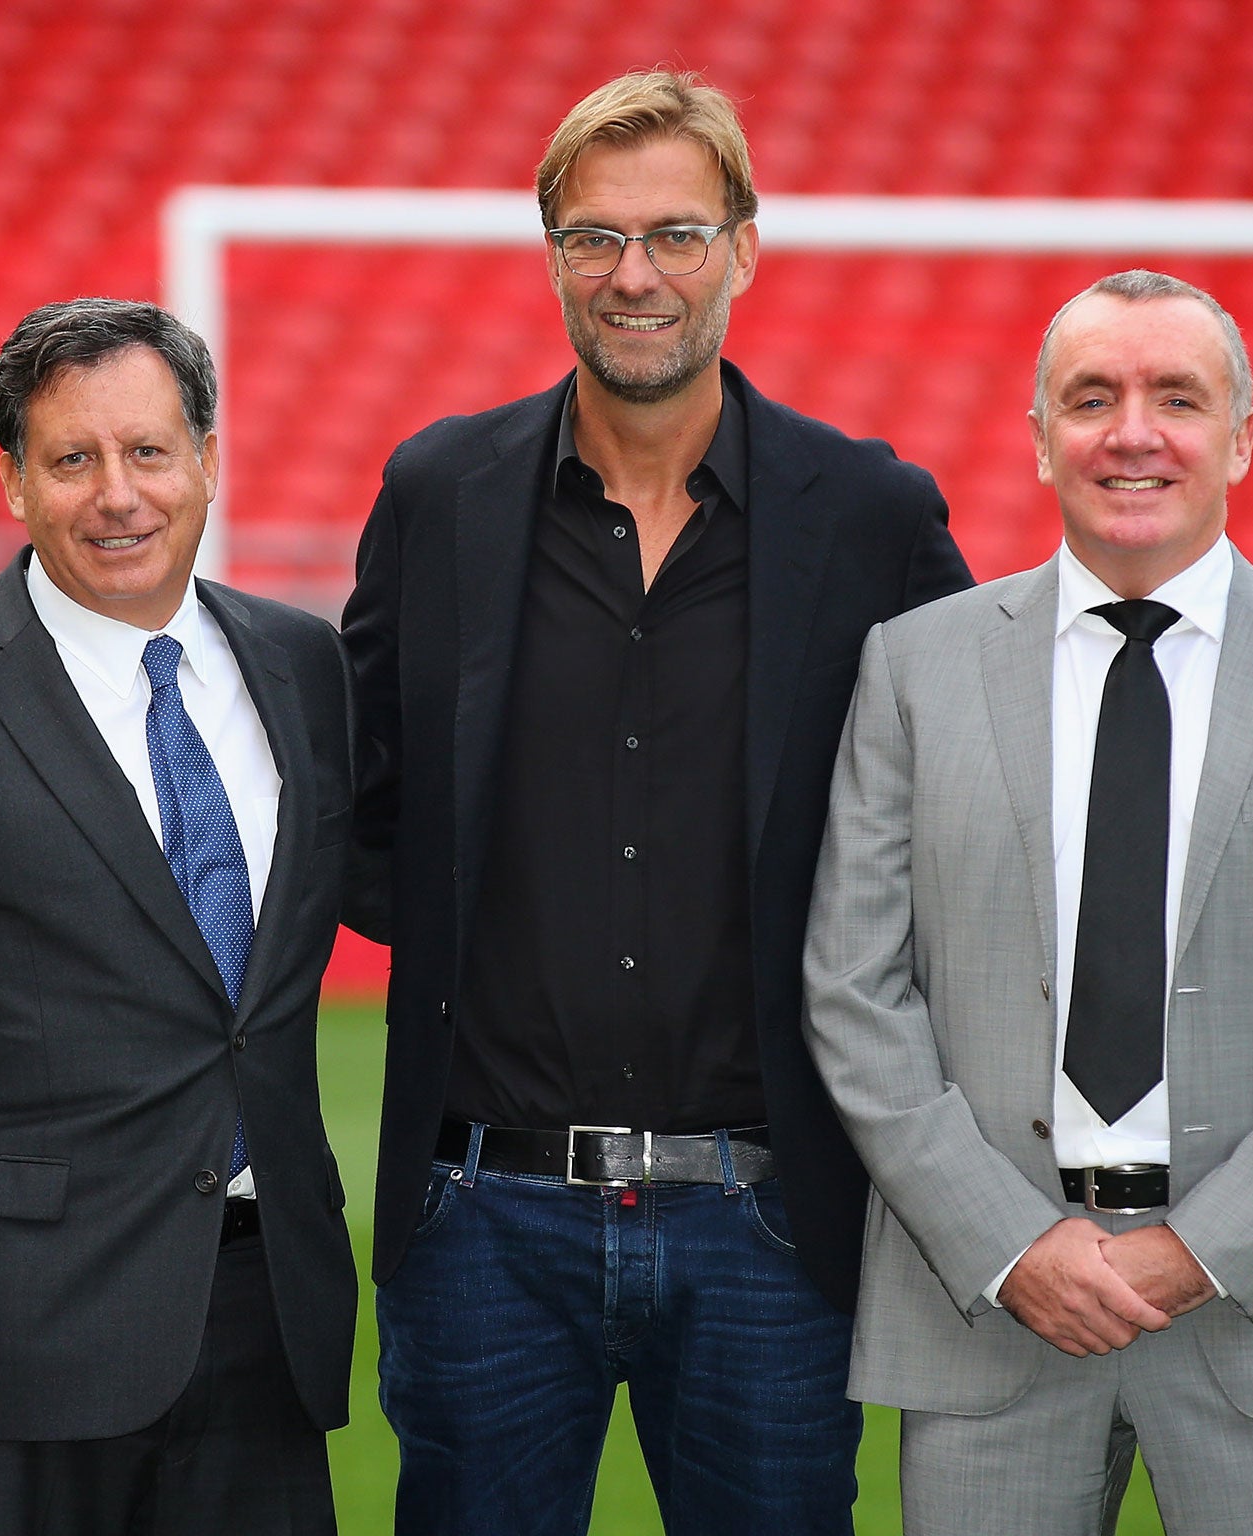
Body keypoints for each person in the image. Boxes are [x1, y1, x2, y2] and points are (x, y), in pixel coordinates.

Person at [340, 70, 973, 1535]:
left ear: (745, 248)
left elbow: (996, 777)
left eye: (678, 235)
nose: (636, 276)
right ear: (551, 251)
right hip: (485, 1219)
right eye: (596, 239)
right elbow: (356, 798)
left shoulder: (869, 514)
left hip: (766, 1218)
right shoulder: (440, 494)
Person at [803, 269, 1253, 1534]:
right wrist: (1005, 1243)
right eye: (1090, 396)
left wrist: (1204, 1248)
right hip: (992, 1313)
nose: (1131, 432)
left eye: (1176, 395)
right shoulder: (913, 666)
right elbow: (852, 984)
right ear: (1037, 435)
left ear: (1240, 436)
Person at [0, 298, 357, 1534]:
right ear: (13, 482)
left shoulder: (305, 668)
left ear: (205, 458)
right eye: (72, 459)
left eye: (148, 452)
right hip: (7, 1353)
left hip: (267, 1323)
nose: (118, 495)